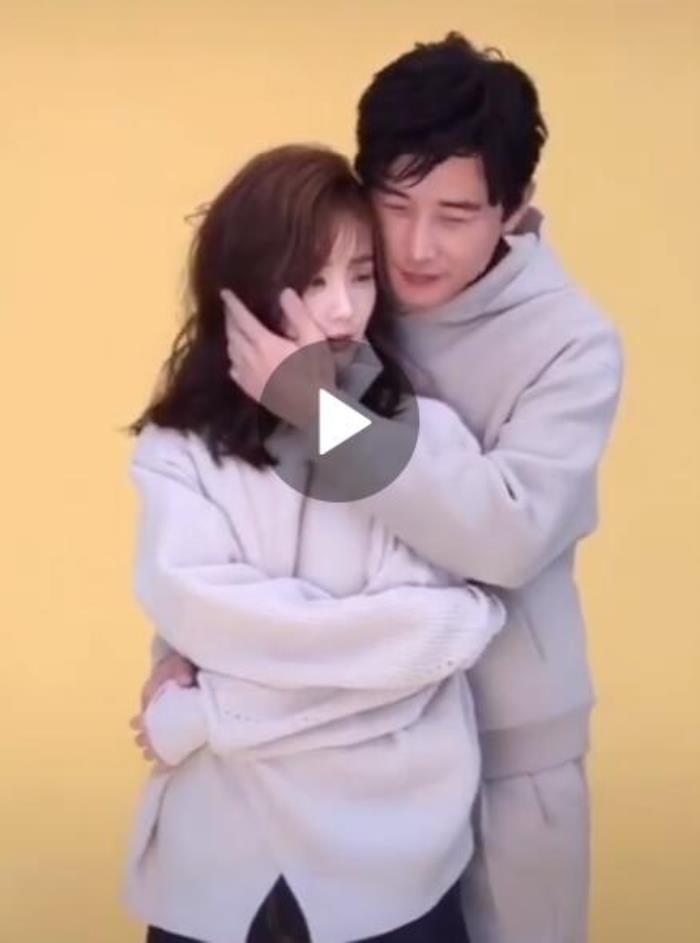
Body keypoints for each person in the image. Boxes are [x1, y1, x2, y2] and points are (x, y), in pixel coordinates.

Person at [156, 34, 625, 943]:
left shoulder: (572, 344)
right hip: (340, 741)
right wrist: (182, 651)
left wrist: (318, 410)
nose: (416, 246)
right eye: (395, 203)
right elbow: (237, 492)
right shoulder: (337, 295)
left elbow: (507, 535)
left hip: (506, 740)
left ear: (514, 207)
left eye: (455, 214)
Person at [124, 144, 507, 943]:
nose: (340, 310)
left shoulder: (423, 443)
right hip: (218, 863)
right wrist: (408, 640)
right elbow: (409, 642)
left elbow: (410, 657)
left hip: (391, 861)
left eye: (360, 275)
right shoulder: (177, 451)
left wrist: (207, 711)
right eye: (309, 280)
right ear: (242, 287)